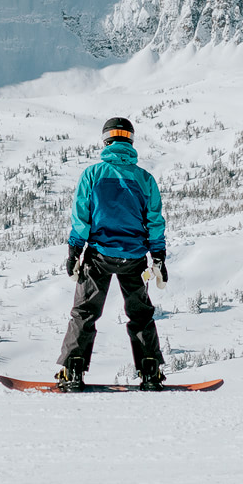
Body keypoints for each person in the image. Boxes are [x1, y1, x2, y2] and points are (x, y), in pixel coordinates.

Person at [56, 117, 168, 391]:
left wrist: (73, 251)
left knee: (84, 312)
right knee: (141, 315)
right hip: (134, 258)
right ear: (130, 140)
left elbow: (82, 217)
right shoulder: (145, 179)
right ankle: (150, 372)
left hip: (98, 257)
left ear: (106, 141)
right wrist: (159, 257)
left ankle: (73, 371)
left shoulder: (92, 175)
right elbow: (154, 221)